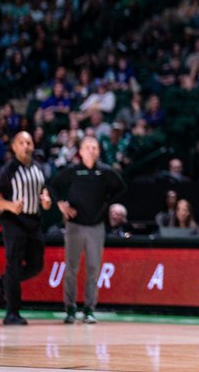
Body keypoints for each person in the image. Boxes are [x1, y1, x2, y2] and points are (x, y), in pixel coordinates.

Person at [49, 136, 126, 324]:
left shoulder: (105, 171)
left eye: (95, 147)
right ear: (81, 152)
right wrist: (61, 205)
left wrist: (106, 203)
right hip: (74, 224)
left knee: (93, 269)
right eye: (88, 147)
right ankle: (70, 308)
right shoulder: (73, 171)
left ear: (98, 151)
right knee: (71, 268)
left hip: (96, 226)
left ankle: (89, 309)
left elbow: (121, 187)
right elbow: (53, 185)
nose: (92, 150)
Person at [0, 131, 52, 325]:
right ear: (14, 147)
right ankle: (11, 313)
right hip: (14, 222)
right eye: (21, 142)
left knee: (36, 265)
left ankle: (1, 283)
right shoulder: (9, 169)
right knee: (13, 264)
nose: (26, 146)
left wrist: (46, 201)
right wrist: (9, 205)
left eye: (29, 142)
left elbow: (43, 191)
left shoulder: (38, 167)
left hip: (34, 221)